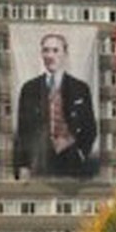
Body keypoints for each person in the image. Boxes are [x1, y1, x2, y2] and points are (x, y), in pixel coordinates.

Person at [13, 32, 97, 178]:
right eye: (46, 50)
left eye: (55, 50)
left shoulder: (80, 88)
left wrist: (81, 152)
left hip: (71, 160)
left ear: (65, 53)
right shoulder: (29, 88)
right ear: (41, 54)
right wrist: (24, 164)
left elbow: (90, 127)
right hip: (39, 160)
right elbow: (23, 131)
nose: (50, 56)